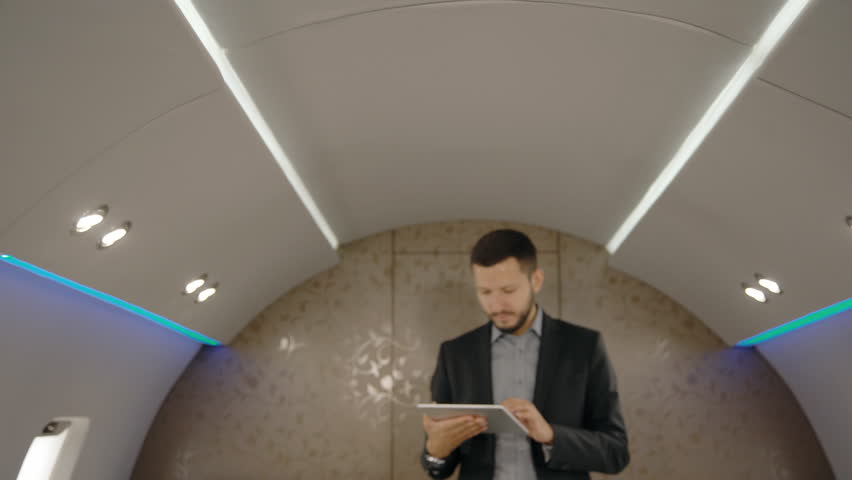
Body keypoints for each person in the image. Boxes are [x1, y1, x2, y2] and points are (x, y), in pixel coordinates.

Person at [420, 229, 629, 479]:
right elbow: (437, 466)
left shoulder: (584, 347)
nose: (496, 306)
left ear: (536, 280)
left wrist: (551, 434)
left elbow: (616, 452)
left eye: (508, 291)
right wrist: (436, 451)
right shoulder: (455, 354)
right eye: (485, 292)